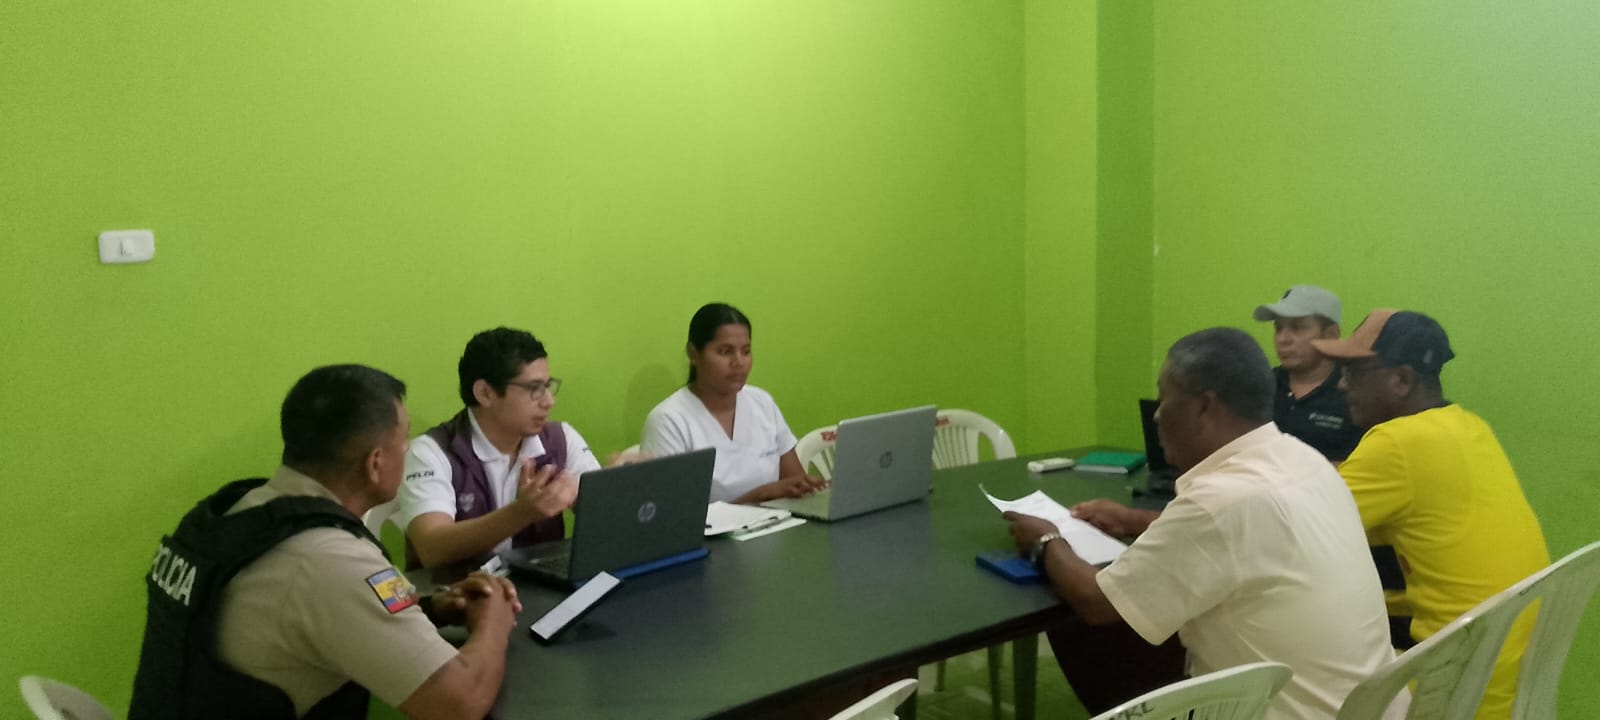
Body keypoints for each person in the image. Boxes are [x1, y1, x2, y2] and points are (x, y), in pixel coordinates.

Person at [1004, 328, 1399, 719]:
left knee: (1091, 629)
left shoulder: (1220, 501)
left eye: (1164, 398)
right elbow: (1244, 537)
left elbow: (1098, 602)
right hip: (1369, 708)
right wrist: (1133, 520)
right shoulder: (1303, 459)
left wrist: (1047, 538)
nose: (1157, 415)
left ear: (1204, 407)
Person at [129, 364, 520, 720]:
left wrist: (429, 608)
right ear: (376, 463)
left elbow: (304, 617)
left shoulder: (232, 513)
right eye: (404, 440)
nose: (408, 449)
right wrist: (495, 622)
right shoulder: (327, 558)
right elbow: (458, 703)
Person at [1314, 309, 1549, 719]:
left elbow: (1303, 527)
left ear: (1401, 380)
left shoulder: (1396, 442)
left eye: (1354, 372)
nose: (1342, 384)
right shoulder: (1468, 427)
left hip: (1448, 690)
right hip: (1503, 685)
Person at [397, 327, 597, 573]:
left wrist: (623, 487)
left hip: (539, 586)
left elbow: (605, 515)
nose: (548, 401)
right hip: (458, 592)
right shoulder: (431, 452)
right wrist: (522, 512)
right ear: (485, 393)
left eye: (548, 386)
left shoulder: (561, 439)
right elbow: (432, 549)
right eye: (534, 389)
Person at [641, 302, 825, 504]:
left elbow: (796, 482)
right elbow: (674, 514)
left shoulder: (762, 402)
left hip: (778, 521)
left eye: (746, 351)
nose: (739, 362)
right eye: (725, 352)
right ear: (693, 354)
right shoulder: (668, 420)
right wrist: (762, 494)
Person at [1253, 284, 1364, 461]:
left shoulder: (1356, 394)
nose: (1283, 339)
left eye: (1297, 328)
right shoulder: (1259, 388)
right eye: (1278, 328)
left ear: (1331, 334)